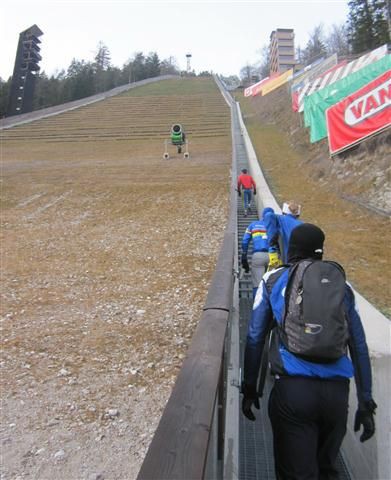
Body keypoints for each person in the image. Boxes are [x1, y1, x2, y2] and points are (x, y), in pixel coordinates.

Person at [241, 223, 376, 480]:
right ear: (320, 251)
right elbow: (358, 345)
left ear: (291, 249)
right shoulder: (342, 288)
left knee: (296, 473)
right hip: (337, 395)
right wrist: (366, 401)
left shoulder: (274, 280)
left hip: (293, 392)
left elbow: (255, 335)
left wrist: (250, 387)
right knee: (326, 470)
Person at [241, 207, 274, 298]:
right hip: (272, 256)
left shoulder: (253, 225)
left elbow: (245, 241)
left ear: (262, 215)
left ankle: (257, 308)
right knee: (272, 284)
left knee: (257, 284)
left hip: (258, 256)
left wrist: (244, 257)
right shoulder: (274, 226)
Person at [264, 200, 302, 267]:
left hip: (287, 262)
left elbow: (268, 215)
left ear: (284, 211)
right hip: (301, 264)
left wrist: (272, 251)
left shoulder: (280, 219)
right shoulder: (302, 224)